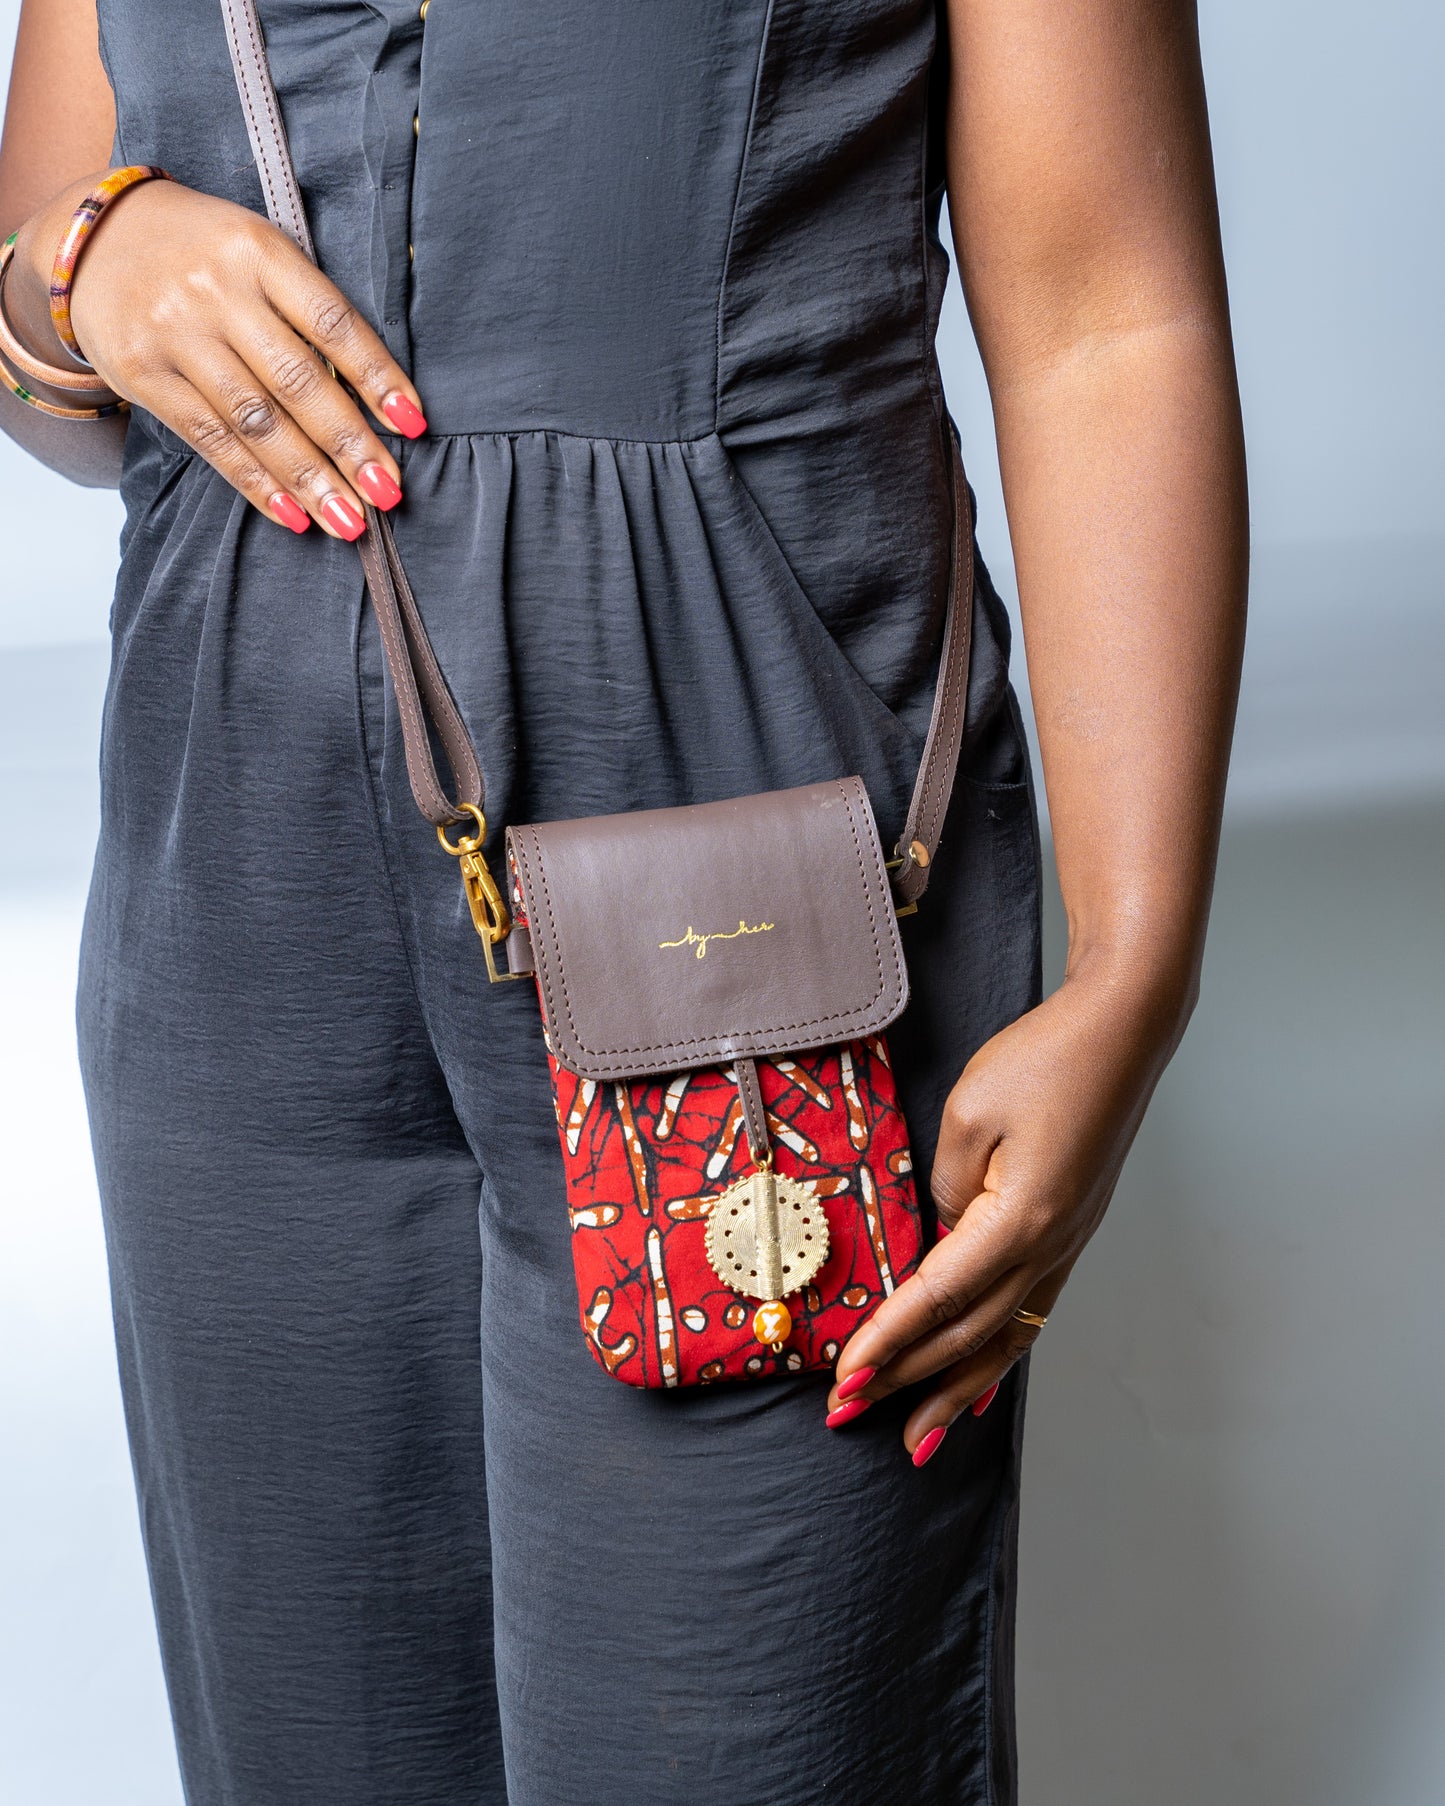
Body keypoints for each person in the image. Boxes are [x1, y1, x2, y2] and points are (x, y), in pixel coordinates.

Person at [0, 0, 1247, 1800]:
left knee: (752, 1734)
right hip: (233, 885)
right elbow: (52, 304)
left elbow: (1105, 320)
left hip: (746, 851)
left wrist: (1139, 958)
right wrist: (92, 260)